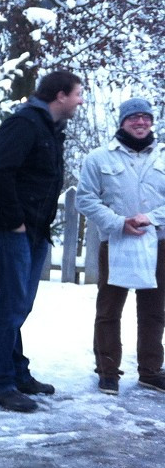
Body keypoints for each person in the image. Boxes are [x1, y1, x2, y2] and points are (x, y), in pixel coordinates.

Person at [0, 70, 84, 412]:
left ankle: (17, 373)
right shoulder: (24, 124)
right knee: (11, 305)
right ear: (61, 95)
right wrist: (15, 222)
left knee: (20, 306)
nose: (80, 101)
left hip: (32, 232)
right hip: (4, 230)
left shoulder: (49, 129)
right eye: (78, 94)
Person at [75, 97, 165, 396]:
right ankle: (107, 371)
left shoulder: (163, 156)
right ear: (123, 121)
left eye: (145, 117)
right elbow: (85, 198)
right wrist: (118, 223)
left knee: (154, 310)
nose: (140, 122)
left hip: (158, 243)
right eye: (133, 117)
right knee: (109, 308)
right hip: (115, 242)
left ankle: (150, 372)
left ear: (151, 121)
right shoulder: (99, 158)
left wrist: (150, 218)